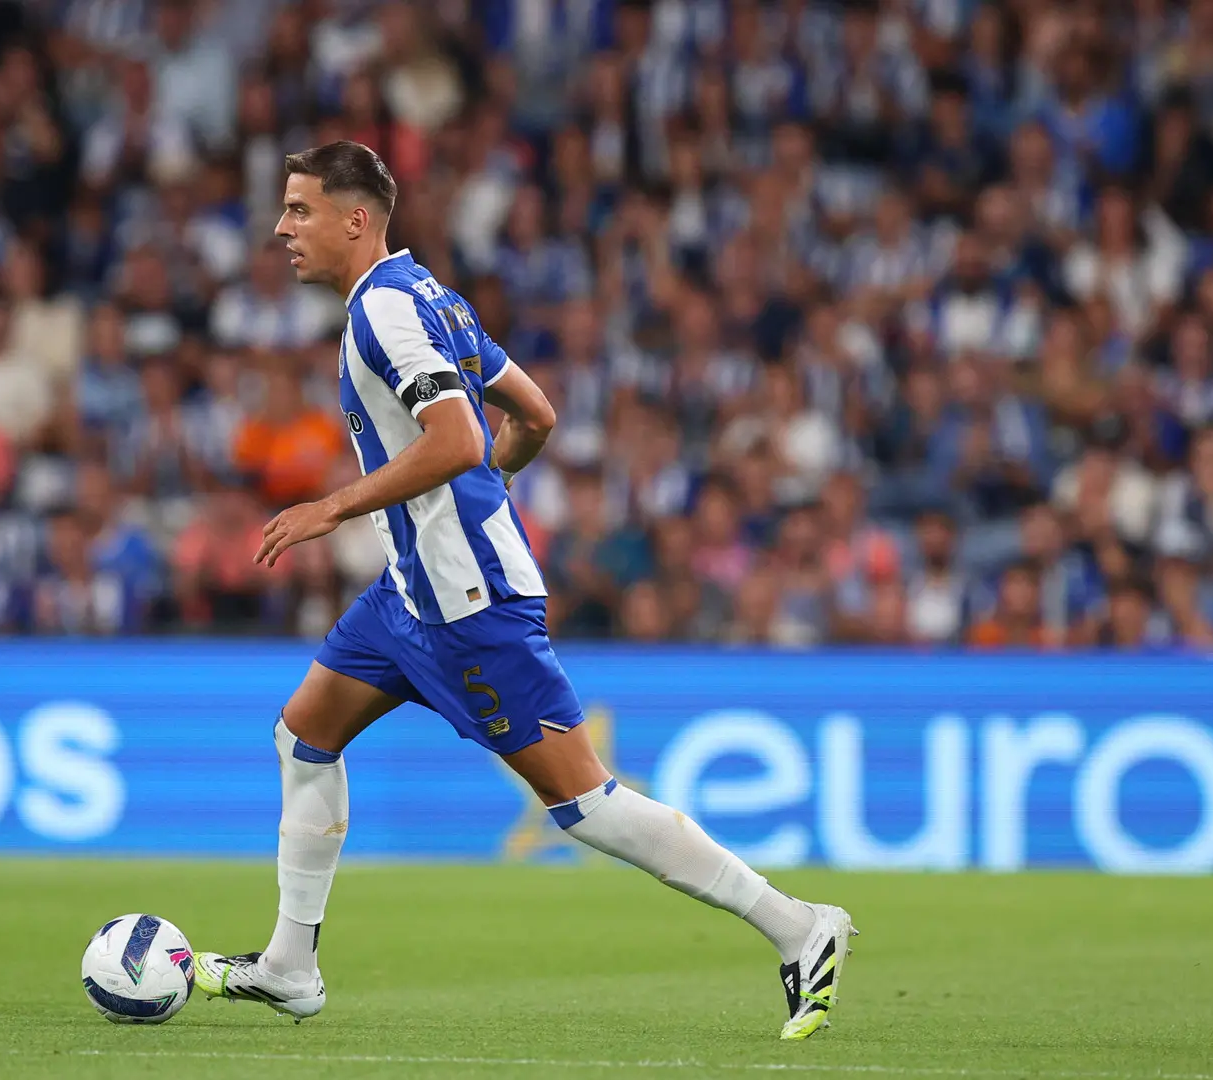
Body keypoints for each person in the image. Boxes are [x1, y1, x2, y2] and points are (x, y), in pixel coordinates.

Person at [188, 142, 855, 1039]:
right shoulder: (433, 296)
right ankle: (289, 966)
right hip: (408, 595)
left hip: (467, 605)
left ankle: (799, 926)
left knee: (586, 805)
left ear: (355, 218)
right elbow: (534, 415)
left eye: (299, 209)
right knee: (304, 733)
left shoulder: (385, 310)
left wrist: (334, 506)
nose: (281, 228)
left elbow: (460, 439)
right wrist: (487, 490)